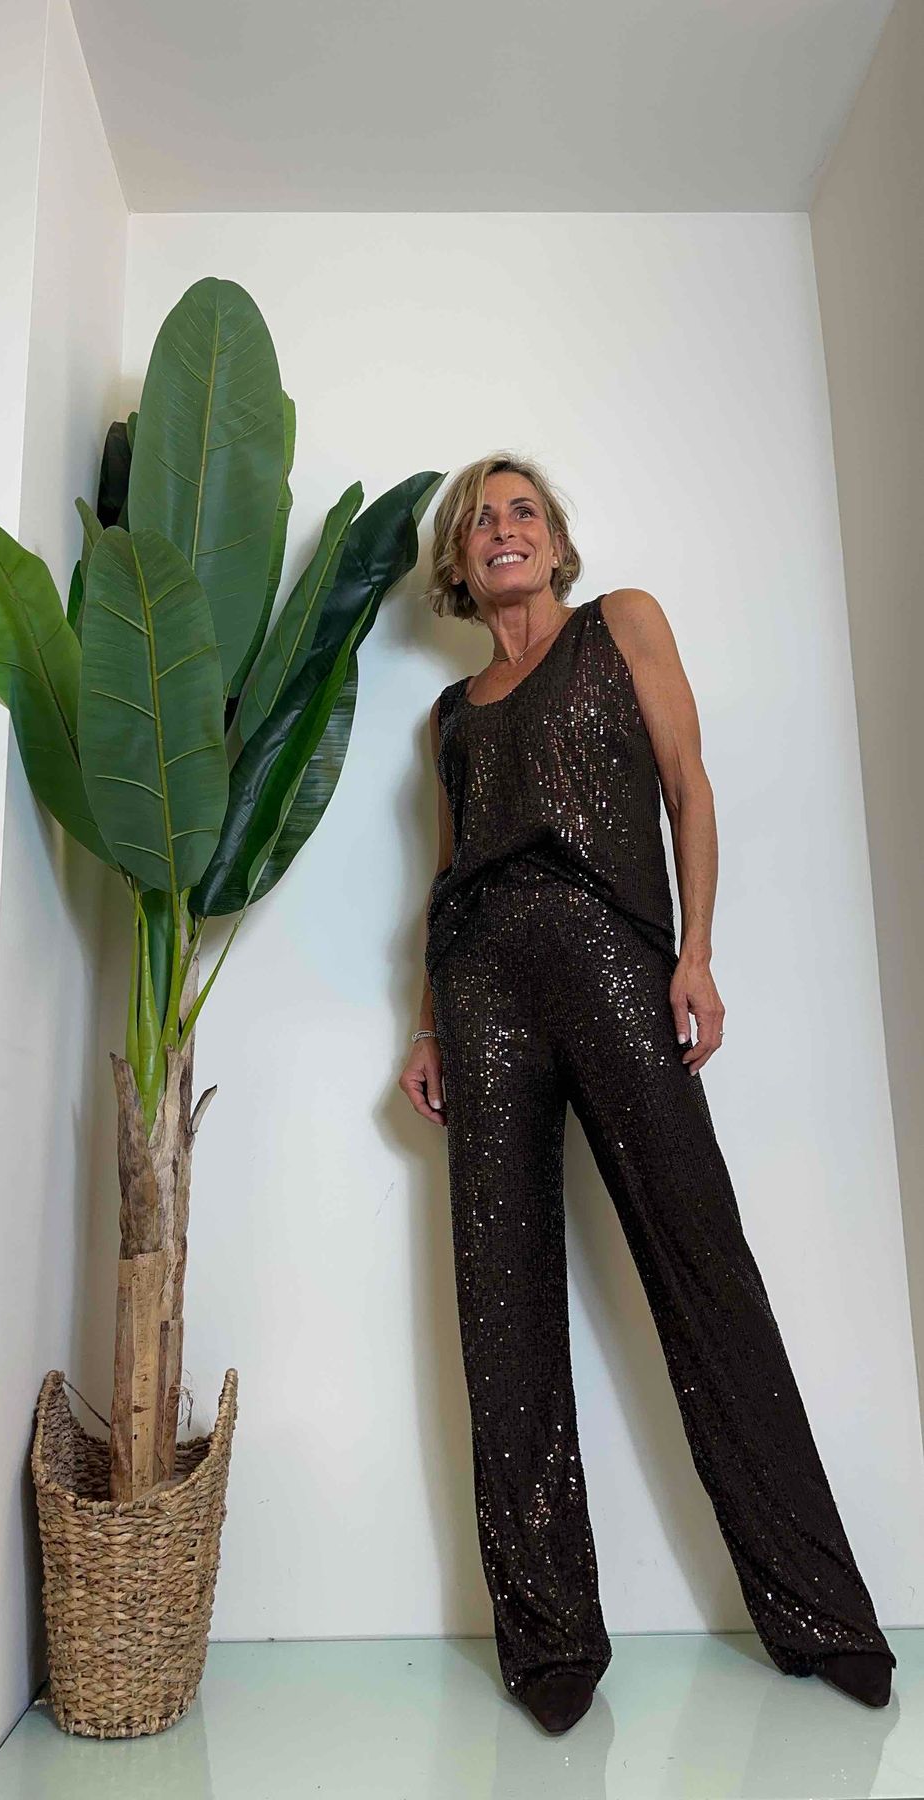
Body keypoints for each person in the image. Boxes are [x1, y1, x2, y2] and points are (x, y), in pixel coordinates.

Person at [398, 452, 896, 1735]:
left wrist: (695, 952)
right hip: (483, 994)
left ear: (555, 542)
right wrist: (428, 1021)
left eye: (521, 511)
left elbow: (687, 787)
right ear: (459, 564)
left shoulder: (620, 624)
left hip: (613, 964)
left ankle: (820, 1614)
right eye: (478, 521)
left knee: (702, 1270)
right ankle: (549, 1640)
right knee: (500, 1309)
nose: (501, 530)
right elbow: (445, 881)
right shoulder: (448, 717)